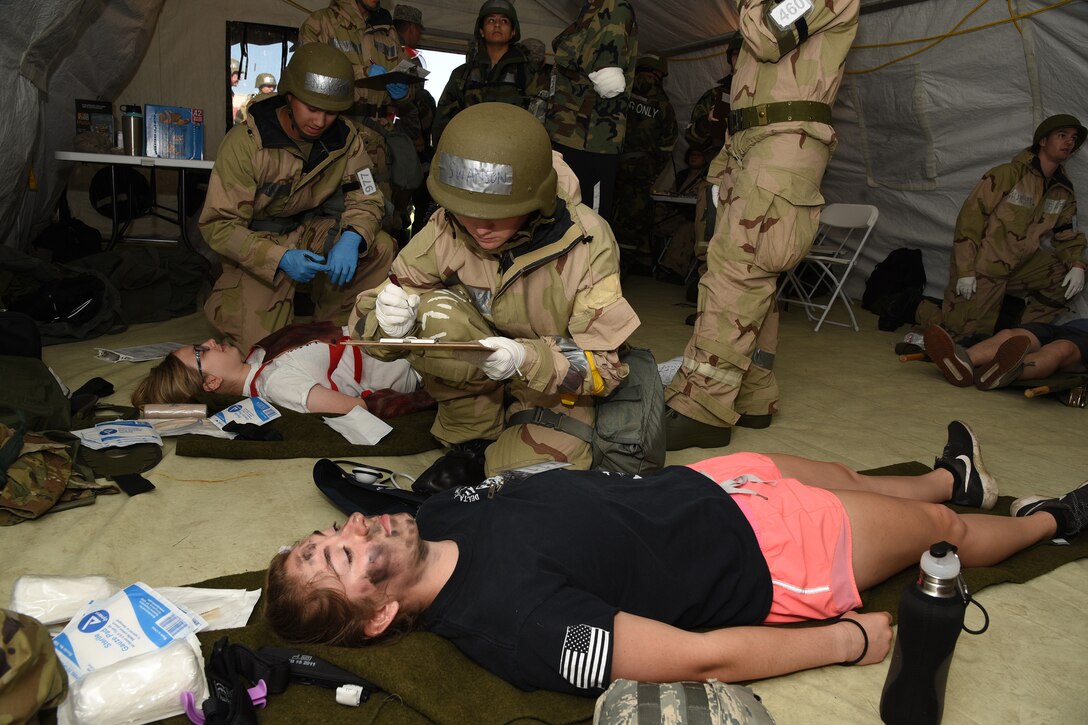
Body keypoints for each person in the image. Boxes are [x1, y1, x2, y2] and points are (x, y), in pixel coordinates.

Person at [262, 420, 1088, 695]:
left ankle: (956, 471)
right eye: (346, 556)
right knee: (945, 528)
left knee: (845, 474)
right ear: (378, 613)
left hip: (703, 487)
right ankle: (1050, 522)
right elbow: (700, 658)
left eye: (336, 533)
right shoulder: (520, 627)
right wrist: (852, 640)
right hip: (769, 554)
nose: (362, 528)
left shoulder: (436, 508)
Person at [349, 103, 639, 485]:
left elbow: (605, 367)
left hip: (550, 390)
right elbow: (365, 323)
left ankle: (507, 441)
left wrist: (524, 358)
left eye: (497, 213)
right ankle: (471, 439)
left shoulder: (587, 241)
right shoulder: (449, 225)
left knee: (523, 485)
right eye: (466, 211)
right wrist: (384, 322)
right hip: (473, 389)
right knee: (430, 310)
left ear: (537, 199)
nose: (479, 227)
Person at [664, 1, 860, 449]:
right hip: (750, 139)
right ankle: (752, 393)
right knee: (746, 272)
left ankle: (704, 408)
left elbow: (769, 37)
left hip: (786, 140)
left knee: (740, 269)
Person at [200, 43, 395, 352]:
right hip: (259, 244)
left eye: (331, 112)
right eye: (312, 108)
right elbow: (218, 226)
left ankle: (334, 333)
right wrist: (279, 259)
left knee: (378, 247)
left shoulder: (346, 139)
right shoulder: (247, 143)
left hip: (310, 231)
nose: (320, 121)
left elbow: (368, 197)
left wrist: (353, 237)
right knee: (261, 353)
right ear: (289, 98)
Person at [915, 115, 1087, 342]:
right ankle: (916, 307)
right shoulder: (1008, 175)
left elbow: (1066, 233)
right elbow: (970, 221)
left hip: (1023, 264)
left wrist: (1077, 264)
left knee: (1063, 276)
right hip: (985, 265)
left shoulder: (1063, 189)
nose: (1069, 142)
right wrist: (965, 270)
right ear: (1043, 141)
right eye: (1062, 136)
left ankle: (1024, 336)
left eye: (1073, 138)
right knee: (965, 339)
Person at [131, 321, 425, 417]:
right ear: (211, 383)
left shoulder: (258, 360)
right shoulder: (277, 385)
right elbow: (359, 407)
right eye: (200, 352)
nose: (209, 341)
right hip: (416, 360)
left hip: (395, 333)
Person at [300, 0, 423, 224]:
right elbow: (307, 76)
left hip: (379, 143)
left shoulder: (389, 33)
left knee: (378, 213)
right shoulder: (321, 23)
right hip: (336, 135)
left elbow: (410, 81)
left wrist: (404, 91)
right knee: (332, 212)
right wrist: (361, 72)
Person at [545, 0, 638, 220]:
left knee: (589, 226)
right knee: (561, 219)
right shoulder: (589, 11)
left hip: (590, 141)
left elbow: (610, 83)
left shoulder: (613, 8)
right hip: (566, 137)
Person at [431, 0, 545, 146]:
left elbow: (539, 126)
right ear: (481, 31)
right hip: (467, 154)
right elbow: (442, 124)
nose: (497, 25)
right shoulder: (462, 75)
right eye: (491, 20)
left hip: (514, 156)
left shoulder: (529, 74)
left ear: (513, 32)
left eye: (504, 21)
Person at [610, 53, 678, 274]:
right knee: (632, 224)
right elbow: (668, 144)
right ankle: (618, 274)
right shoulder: (664, 104)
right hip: (641, 173)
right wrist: (652, 170)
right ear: (660, 73)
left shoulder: (620, 90)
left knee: (603, 215)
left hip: (611, 165)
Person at [923, 320, 1088, 390]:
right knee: (1013, 335)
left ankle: (1009, 371)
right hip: (1063, 327)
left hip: (1081, 340)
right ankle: (963, 361)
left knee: (1062, 349)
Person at [683, 35, 741, 160]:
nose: (741, 59)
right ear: (730, 59)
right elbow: (692, 139)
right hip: (721, 166)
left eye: (746, 55)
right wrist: (707, 123)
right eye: (736, 54)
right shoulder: (715, 95)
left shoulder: (768, 92)